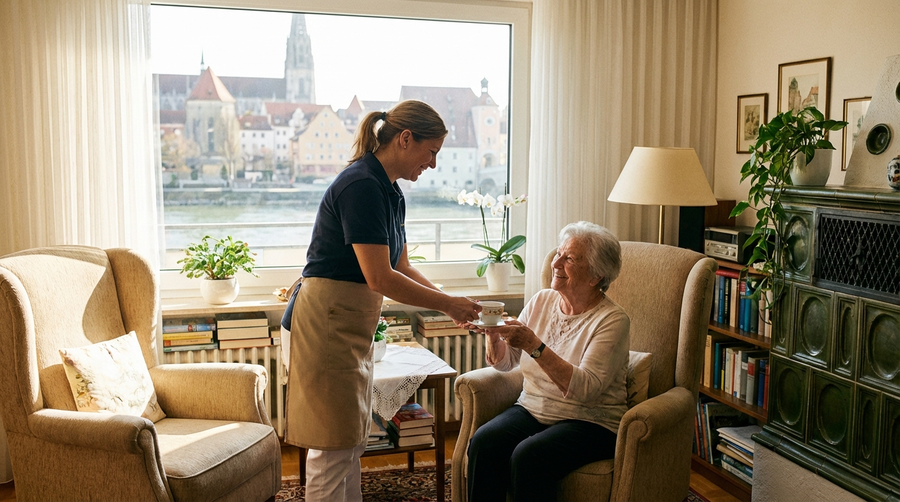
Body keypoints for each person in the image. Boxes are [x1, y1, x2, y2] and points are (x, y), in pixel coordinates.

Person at [281, 99, 482, 502]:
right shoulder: (360, 186)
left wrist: (453, 301)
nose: (434, 164)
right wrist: (448, 306)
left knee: (352, 441)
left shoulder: (390, 193)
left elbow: (401, 265)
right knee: (331, 448)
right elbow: (380, 278)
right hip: (324, 323)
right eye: (432, 152)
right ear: (405, 139)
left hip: (347, 323)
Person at [465, 221, 630, 502]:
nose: (556, 263)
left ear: (595, 276)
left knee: (529, 456)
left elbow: (586, 390)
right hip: (533, 408)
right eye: (558, 254)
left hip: (591, 421)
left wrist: (534, 344)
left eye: (569, 259)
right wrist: (493, 337)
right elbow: (508, 364)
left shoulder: (612, 320)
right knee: (484, 441)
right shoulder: (542, 300)